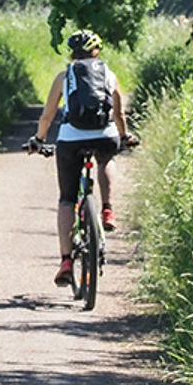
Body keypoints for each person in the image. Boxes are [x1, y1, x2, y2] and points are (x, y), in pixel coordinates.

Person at [27, 29, 130, 286]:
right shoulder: (109, 74)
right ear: (98, 51)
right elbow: (118, 114)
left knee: (66, 199)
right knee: (106, 160)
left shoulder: (65, 77)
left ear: (72, 53)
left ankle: (65, 261)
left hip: (71, 140)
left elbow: (48, 116)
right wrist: (124, 135)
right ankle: (107, 210)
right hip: (105, 136)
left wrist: (38, 140)